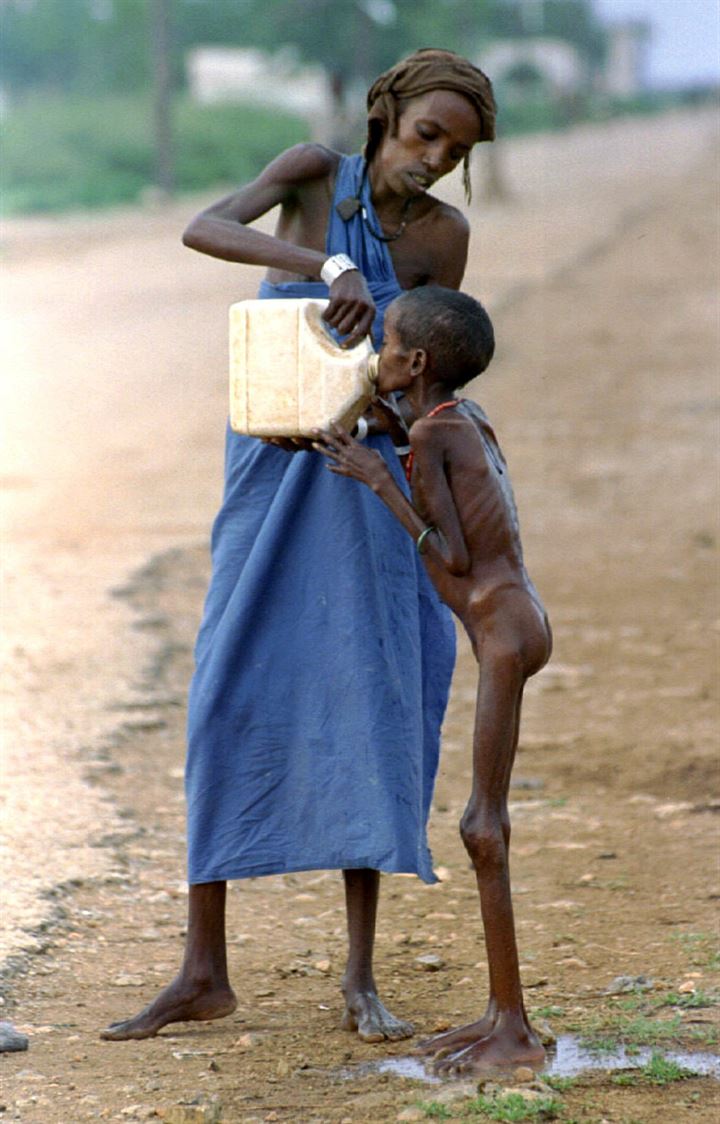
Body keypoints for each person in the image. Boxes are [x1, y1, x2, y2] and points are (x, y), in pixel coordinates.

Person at [101, 48, 496, 1045]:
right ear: (386, 112)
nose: (437, 161)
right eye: (426, 135)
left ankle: (361, 978)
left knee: (370, 702)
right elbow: (204, 226)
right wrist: (322, 264)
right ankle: (203, 967)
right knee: (226, 686)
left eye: (456, 150)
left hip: (361, 483)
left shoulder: (444, 238)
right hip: (265, 468)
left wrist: (395, 432)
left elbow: (428, 377)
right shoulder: (317, 174)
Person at [313, 285, 553, 1073]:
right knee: (485, 827)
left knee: (483, 827)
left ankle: (512, 1030)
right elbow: (461, 495)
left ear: (414, 364)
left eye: (384, 345)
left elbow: (450, 557)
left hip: (500, 629)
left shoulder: (429, 431)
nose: (375, 355)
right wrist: (388, 432)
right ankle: (499, 1015)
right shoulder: (458, 419)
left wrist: (376, 478)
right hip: (517, 618)